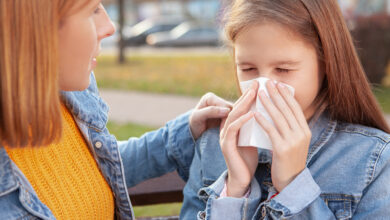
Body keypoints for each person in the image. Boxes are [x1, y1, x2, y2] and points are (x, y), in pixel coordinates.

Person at [0, 0, 232, 219]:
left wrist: (185, 132)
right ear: (34, 28)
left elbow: (92, 168)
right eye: (92, 10)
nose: (109, 27)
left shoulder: (63, 96)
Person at [180, 0, 390, 219]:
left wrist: (293, 186)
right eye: (248, 68)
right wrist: (234, 191)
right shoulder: (212, 146)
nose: (264, 88)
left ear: (327, 62)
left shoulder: (375, 162)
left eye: (283, 69)